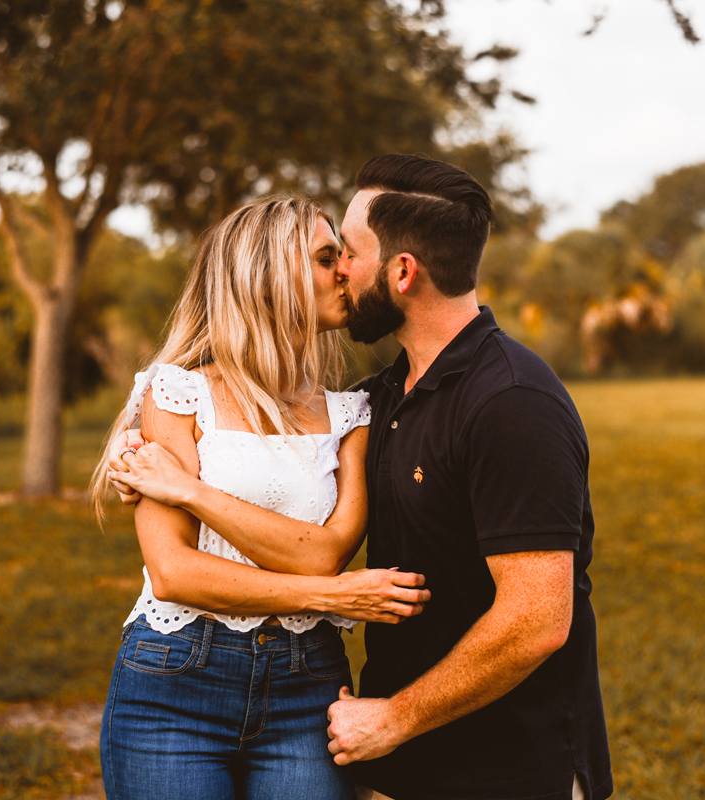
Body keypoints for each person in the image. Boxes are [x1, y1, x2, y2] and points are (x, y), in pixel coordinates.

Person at [112, 155, 613, 800]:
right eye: (330, 256)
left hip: (508, 766)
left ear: (402, 273)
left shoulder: (511, 402)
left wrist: (392, 716)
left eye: (345, 252)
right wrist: (154, 473)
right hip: (406, 758)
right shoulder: (384, 400)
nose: (342, 270)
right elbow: (199, 546)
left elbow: (537, 620)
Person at [92, 196, 430, 800]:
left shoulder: (352, 415)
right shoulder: (174, 393)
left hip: (309, 685)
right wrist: (331, 597)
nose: (345, 271)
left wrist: (190, 492)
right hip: (174, 681)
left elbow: (323, 553)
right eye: (328, 257)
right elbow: (174, 573)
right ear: (271, 275)